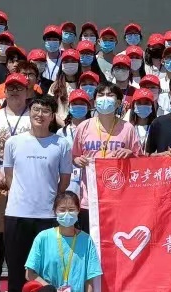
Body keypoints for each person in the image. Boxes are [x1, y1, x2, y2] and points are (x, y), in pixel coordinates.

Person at [0, 94, 73, 292]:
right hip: (17, 215)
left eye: (45, 111)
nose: (40, 114)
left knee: (48, 275)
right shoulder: (14, 142)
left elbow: (63, 182)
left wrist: (48, 202)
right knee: (17, 273)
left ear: (53, 116)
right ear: (30, 113)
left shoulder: (61, 144)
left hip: (48, 217)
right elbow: (9, 177)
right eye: (36, 109)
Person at [0, 72, 33, 292]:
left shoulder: (33, 116)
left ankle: (23, 280)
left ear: (27, 91)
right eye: (10, 88)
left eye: (19, 88)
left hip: (25, 184)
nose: (14, 92)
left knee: (19, 235)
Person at [71, 82, 142, 229]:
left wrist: (130, 154)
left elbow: (140, 161)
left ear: (118, 102)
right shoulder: (83, 127)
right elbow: (74, 157)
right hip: (90, 199)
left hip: (118, 198)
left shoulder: (128, 128)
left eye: (110, 95)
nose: (105, 98)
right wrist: (78, 160)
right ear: (95, 101)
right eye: (101, 95)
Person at [57, 89, 92, 200]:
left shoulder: (95, 130)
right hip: (69, 182)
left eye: (82, 104)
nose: (78, 107)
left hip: (90, 181)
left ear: (88, 107)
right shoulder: (61, 133)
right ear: (69, 107)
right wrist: (73, 159)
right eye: (75, 104)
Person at [49, 49, 83, 125]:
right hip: (59, 126)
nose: (69, 64)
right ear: (62, 64)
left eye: (73, 61)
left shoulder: (83, 84)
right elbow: (50, 108)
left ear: (78, 64)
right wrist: (63, 125)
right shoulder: (55, 86)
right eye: (66, 61)